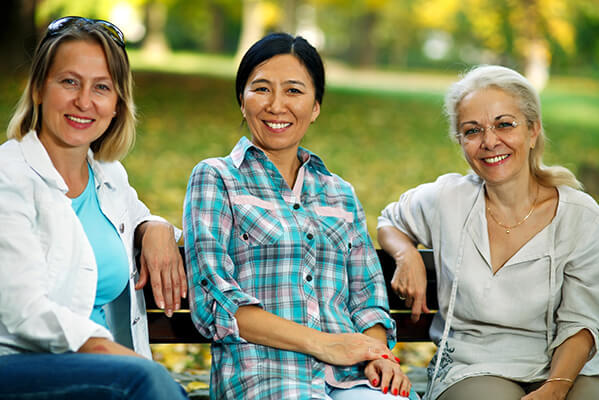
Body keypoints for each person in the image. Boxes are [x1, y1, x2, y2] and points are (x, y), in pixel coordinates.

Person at [183, 33, 418, 400]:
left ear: (316, 107)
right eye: (261, 89)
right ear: (241, 101)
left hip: (352, 378)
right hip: (265, 377)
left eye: (294, 91)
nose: (277, 105)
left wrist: (378, 356)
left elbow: (368, 297)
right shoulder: (216, 179)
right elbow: (215, 303)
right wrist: (324, 345)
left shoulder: (340, 193)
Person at [377, 65, 599, 400]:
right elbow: (389, 221)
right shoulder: (448, 198)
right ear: (461, 141)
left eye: (504, 124)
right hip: (475, 364)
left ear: (533, 129)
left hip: (567, 366)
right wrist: (407, 253)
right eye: (472, 131)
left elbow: (581, 320)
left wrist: (556, 387)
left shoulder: (580, 215)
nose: (490, 142)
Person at [0, 16, 188, 399]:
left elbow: (134, 217)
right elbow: (22, 310)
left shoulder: (109, 178)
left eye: (101, 87)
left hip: (100, 376)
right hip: (18, 365)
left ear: (117, 104)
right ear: (38, 88)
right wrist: (115, 355)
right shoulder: (9, 178)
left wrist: (155, 226)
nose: (84, 101)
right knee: (149, 382)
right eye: (69, 82)